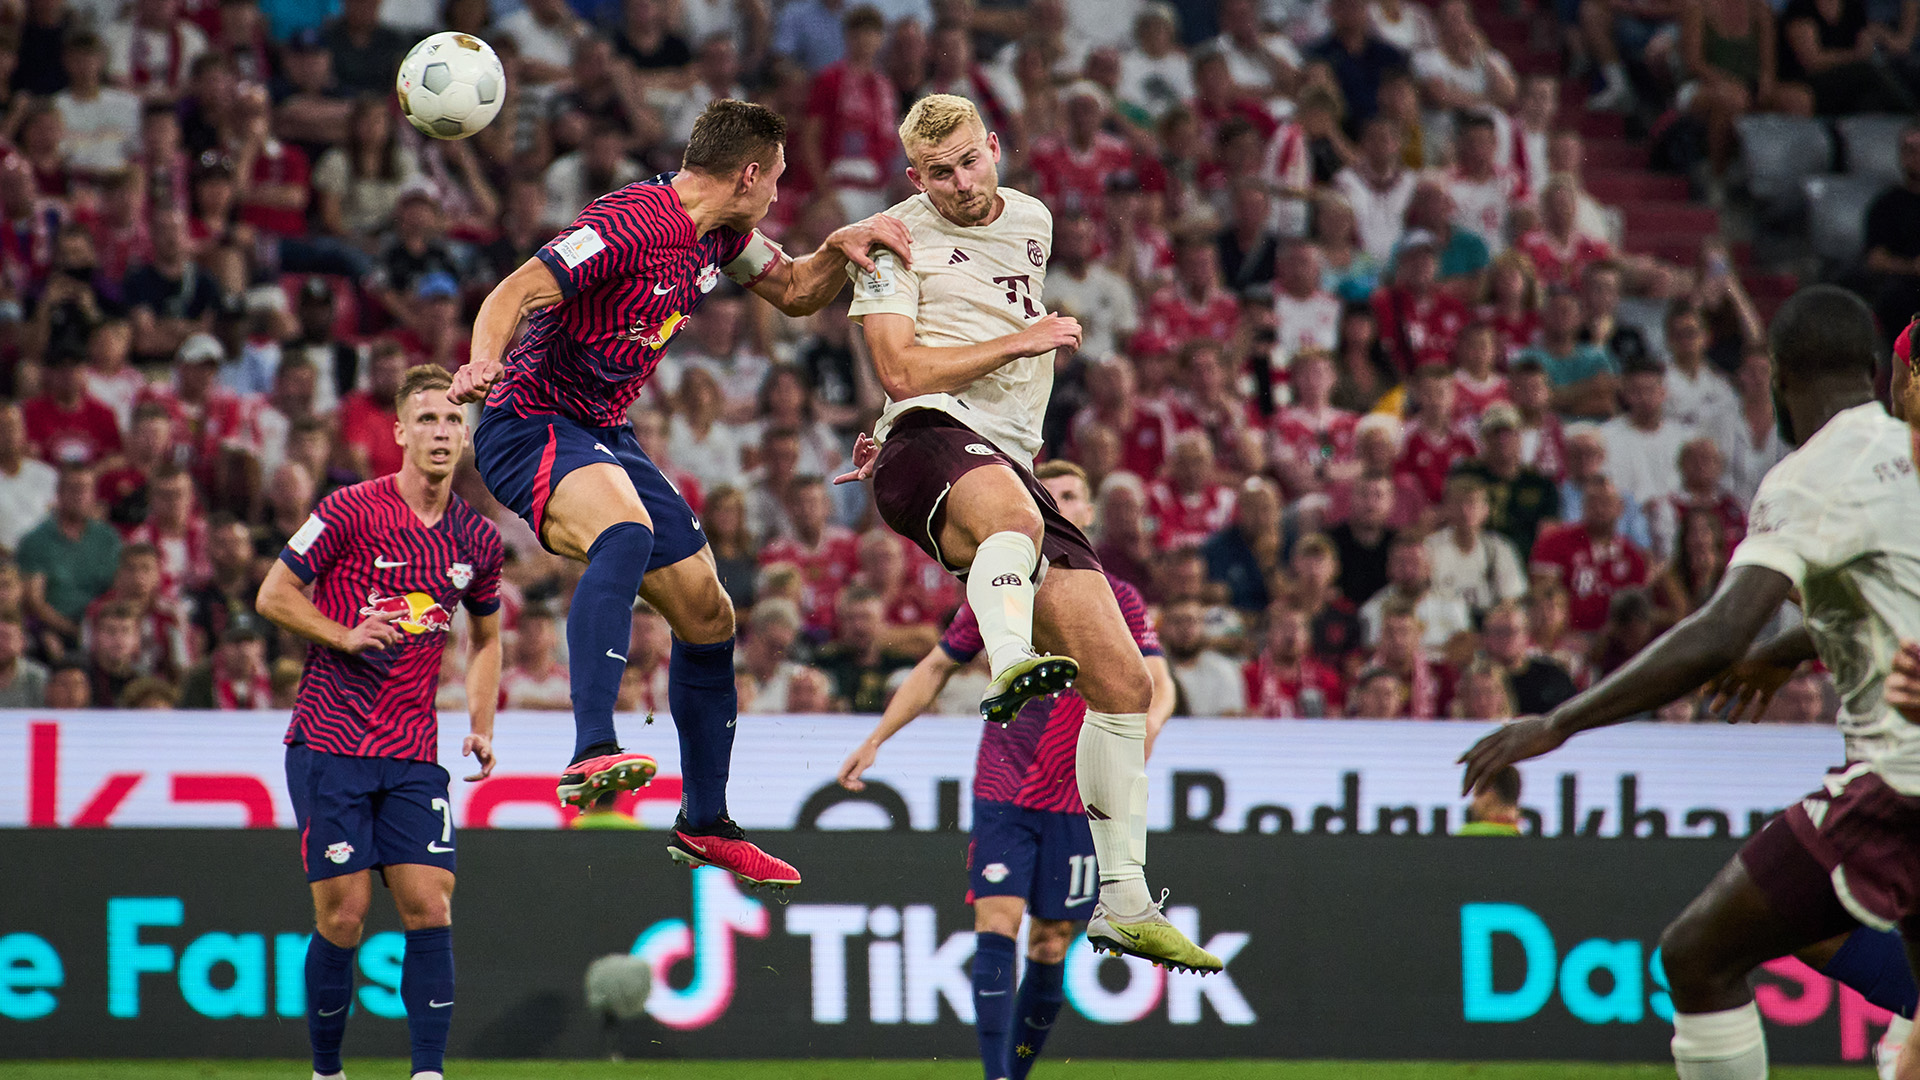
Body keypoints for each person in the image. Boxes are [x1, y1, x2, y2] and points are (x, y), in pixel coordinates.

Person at [450, 99, 910, 891]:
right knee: (623, 532)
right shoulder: (634, 218)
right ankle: (593, 747)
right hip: (529, 420)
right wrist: (480, 362)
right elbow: (514, 291)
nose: (779, 197)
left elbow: (798, 291)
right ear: (750, 173)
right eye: (779, 180)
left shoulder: (721, 236)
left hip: (604, 433)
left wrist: (842, 245)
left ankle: (705, 822)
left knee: (709, 613)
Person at [1462, 286, 1920, 1080]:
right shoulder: (1911, 450)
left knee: (1698, 953)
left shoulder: (1806, 477)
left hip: (1898, 781)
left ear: (1776, 377)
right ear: (1876, 371)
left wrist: (1558, 723)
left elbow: (1718, 632)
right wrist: (1796, 648)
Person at [834, 93, 1219, 973]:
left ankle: (1122, 901)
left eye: (971, 160)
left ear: (994, 147)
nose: (961, 183)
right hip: (929, 440)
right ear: (913, 177)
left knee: (1120, 681)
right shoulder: (891, 235)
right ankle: (1008, 662)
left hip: (1009, 465)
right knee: (1008, 516)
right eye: (939, 171)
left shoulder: (1035, 220)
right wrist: (1017, 345)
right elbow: (897, 367)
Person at [837, 459, 1177, 1080]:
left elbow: (1158, 681)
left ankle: (1014, 1075)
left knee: (1050, 942)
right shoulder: (1005, 584)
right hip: (1005, 786)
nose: (1064, 503)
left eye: (1074, 494)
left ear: (1091, 510)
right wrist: (878, 737)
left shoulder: (1118, 600)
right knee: (998, 919)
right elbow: (937, 666)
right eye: (1054, 494)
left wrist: (1150, 724)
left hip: (1080, 796)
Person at [255, 365, 504, 1080]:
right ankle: (327, 1071)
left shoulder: (477, 540)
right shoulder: (347, 510)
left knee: (430, 903)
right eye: (426, 419)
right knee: (343, 916)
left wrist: (482, 722)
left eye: (453, 421)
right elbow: (274, 594)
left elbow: (486, 639)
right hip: (330, 741)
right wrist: (343, 634)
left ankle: (428, 1073)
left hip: (413, 749)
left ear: (466, 436)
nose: (441, 432)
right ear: (398, 432)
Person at [1458, 765, 1523, 835]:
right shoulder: (1529, 840)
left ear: (1488, 794)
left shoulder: (1464, 838)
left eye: (1475, 794)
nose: (1472, 804)